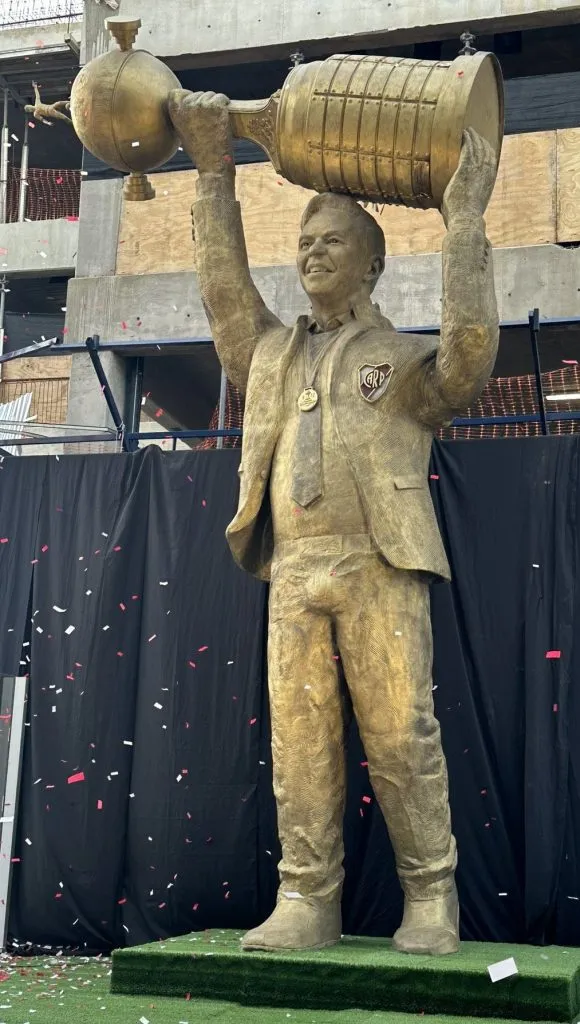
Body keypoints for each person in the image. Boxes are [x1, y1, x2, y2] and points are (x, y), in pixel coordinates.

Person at [168, 88, 499, 956]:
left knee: (401, 737)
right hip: (294, 570)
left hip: (379, 565)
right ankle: (306, 899)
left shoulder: (400, 357)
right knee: (301, 744)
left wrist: (463, 222)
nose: (314, 254)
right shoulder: (270, 352)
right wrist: (212, 173)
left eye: (333, 243)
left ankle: (431, 899)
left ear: (371, 266)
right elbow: (224, 294)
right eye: (306, 244)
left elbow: (469, 356)